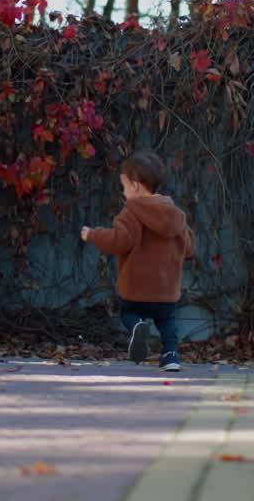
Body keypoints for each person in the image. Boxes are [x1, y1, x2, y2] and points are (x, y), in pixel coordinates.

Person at [81, 150, 195, 372]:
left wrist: (93, 234)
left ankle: (137, 327)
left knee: (129, 313)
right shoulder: (176, 215)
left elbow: (119, 241)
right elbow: (189, 248)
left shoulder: (130, 213)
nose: (123, 192)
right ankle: (171, 356)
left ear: (135, 185)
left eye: (123, 186)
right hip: (165, 290)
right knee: (167, 323)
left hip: (136, 288)